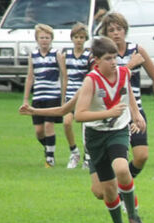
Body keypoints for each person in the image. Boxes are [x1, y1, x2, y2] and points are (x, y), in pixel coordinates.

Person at [74, 36, 147, 223]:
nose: (113, 62)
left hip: (118, 131)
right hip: (95, 136)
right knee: (107, 190)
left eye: (115, 57)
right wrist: (108, 113)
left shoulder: (123, 73)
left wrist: (136, 113)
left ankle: (133, 216)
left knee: (122, 168)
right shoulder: (91, 81)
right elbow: (79, 115)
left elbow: (127, 91)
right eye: (108, 58)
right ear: (96, 60)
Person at [99, 12, 154, 179]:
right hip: (112, 111)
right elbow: (108, 80)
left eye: (119, 29)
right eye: (111, 30)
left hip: (135, 110)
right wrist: (129, 66)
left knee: (142, 155)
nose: (116, 33)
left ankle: (123, 184)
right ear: (106, 34)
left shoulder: (136, 50)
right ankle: (118, 185)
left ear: (125, 30)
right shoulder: (105, 56)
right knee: (117, 156)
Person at [22, 24, 66, 168]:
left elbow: (64, 75)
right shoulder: (33, 55)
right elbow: (30, 77)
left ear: (51, 39)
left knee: (48, 126)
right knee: (39, 131)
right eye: (42, 37)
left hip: (53, 96)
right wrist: (26, 99)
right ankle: (48, 148)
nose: (44, 40)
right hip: (38, 97)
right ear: (37, 39)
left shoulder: (56, 54)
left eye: (47, 37)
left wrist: (63, 97)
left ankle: (50, 158)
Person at [58, 22, 92, 169]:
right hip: (71, 95)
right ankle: (74, 152)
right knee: (66, 123)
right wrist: (63, 99)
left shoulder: (89, 56)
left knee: (86, 128)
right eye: (77, 37)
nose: (79, 40)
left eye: (82, 37)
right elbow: (65, 77)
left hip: (84, 95)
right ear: (72, 38)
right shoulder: (66, 54)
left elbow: (91, 77)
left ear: (86, 39)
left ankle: (88, 156)